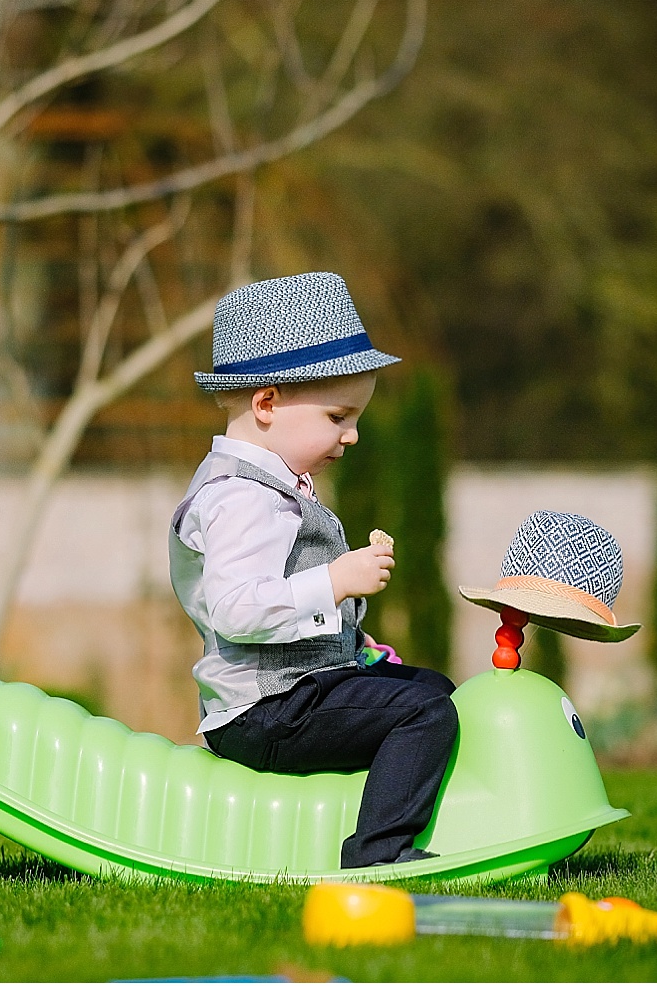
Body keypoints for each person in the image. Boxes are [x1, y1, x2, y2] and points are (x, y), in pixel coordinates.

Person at [168, 271, 458, 869]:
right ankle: (378, 853)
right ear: (267, 403)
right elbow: (236, 609)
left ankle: (407, 813)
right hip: (265, 712)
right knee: (424, 711)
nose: (351, 436)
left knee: (432, 689)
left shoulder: (273, 485)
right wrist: (334, 582)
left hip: (294, 692)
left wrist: (353, 647)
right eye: (337, 416)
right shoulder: (242, 497)